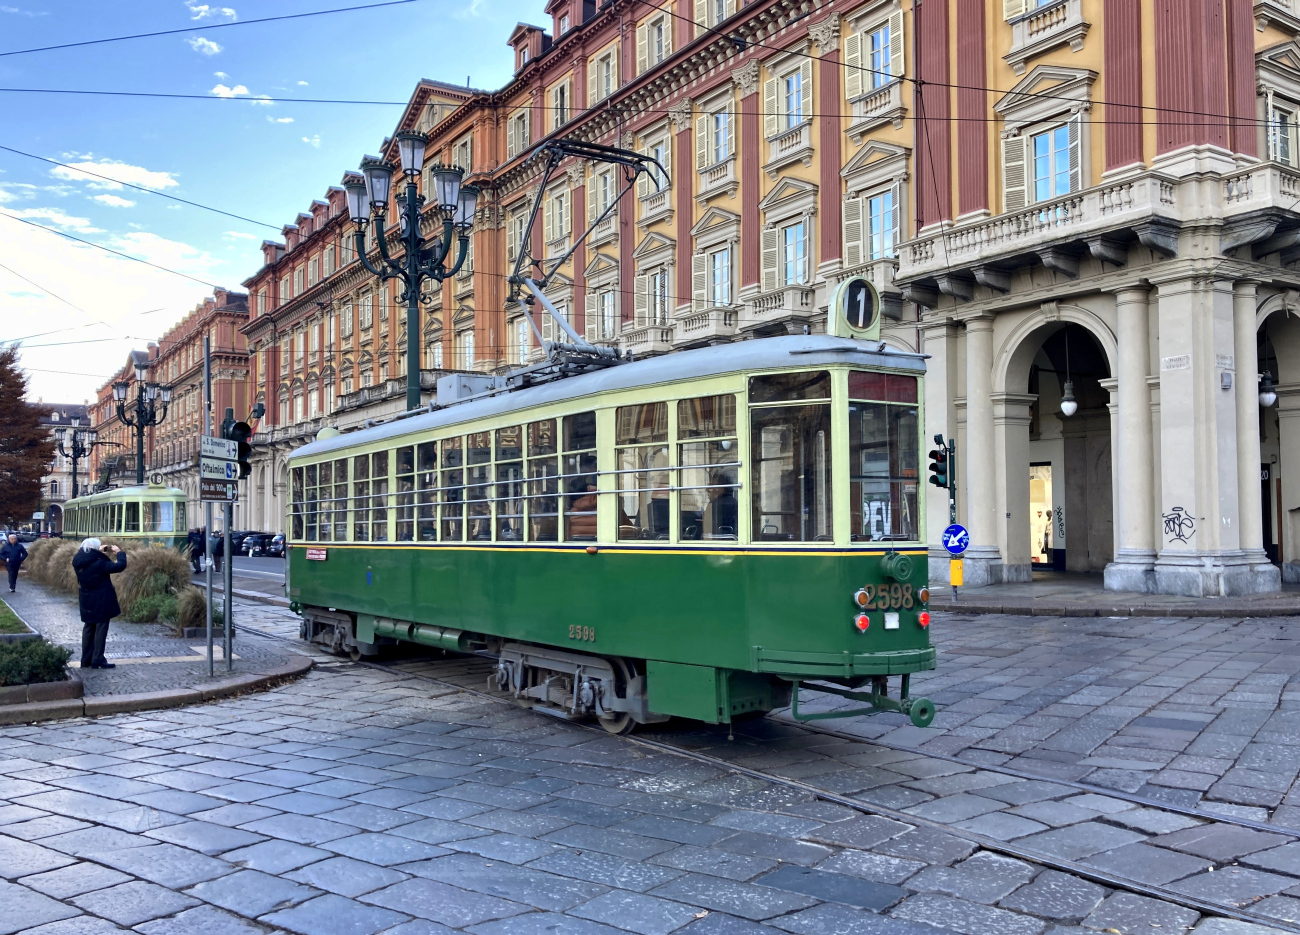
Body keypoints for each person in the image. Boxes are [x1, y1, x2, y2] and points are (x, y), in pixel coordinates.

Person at [72, 538, 127, 670]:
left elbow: (89, 557)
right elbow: (120, 566)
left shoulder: (77, 560)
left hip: (86, 598)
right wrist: (119, 553)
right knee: (101, 628)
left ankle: (86, 660)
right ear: (95, 549)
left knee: (89, 627)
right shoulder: (99, 563)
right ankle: (97, 660)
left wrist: (97, 552)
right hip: (101, 598)